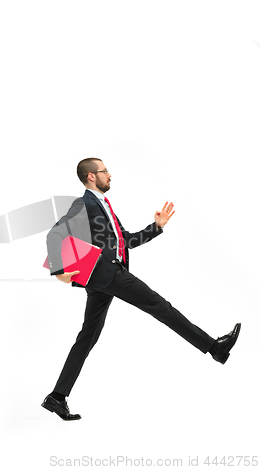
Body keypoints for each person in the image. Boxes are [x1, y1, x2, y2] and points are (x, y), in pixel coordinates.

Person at [41, 158, 241, 421]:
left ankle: (57, 397)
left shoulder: (104, 206)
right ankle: (215, 348)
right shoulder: (84, 204)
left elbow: (126, 242)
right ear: (91, 176)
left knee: (87, 337)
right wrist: (58, 271)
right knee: (160, 306)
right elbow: (54, 234)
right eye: (104, 171)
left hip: (102, 278)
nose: (109, 175)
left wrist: (156, 227)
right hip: (109, 274)